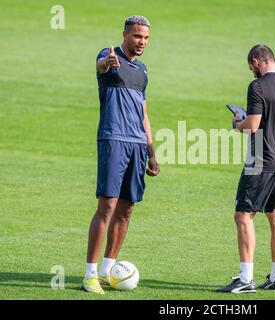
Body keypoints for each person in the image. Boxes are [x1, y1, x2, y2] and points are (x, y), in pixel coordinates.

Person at [217, 44, 275, 293]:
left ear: (257, 61)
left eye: (251, 67)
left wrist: (237, 122)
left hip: (260, 159)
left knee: (243, 216)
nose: (251, 72)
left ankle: (246, 279)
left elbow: (253, 125)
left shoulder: (257, 86)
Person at [82, 15, 160, 294]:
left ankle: (107, 271)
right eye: (137, 36)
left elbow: (144, 112)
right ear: (125, 34)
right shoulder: (108, 56)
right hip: (113, 139)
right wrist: (107, 64)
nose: (142, 42)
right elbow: (100, 65)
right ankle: (89, 274)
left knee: (126, 209)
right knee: (107, 207)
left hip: (138, 145)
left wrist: (151, 151)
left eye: (146, 38)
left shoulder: (143, 71)